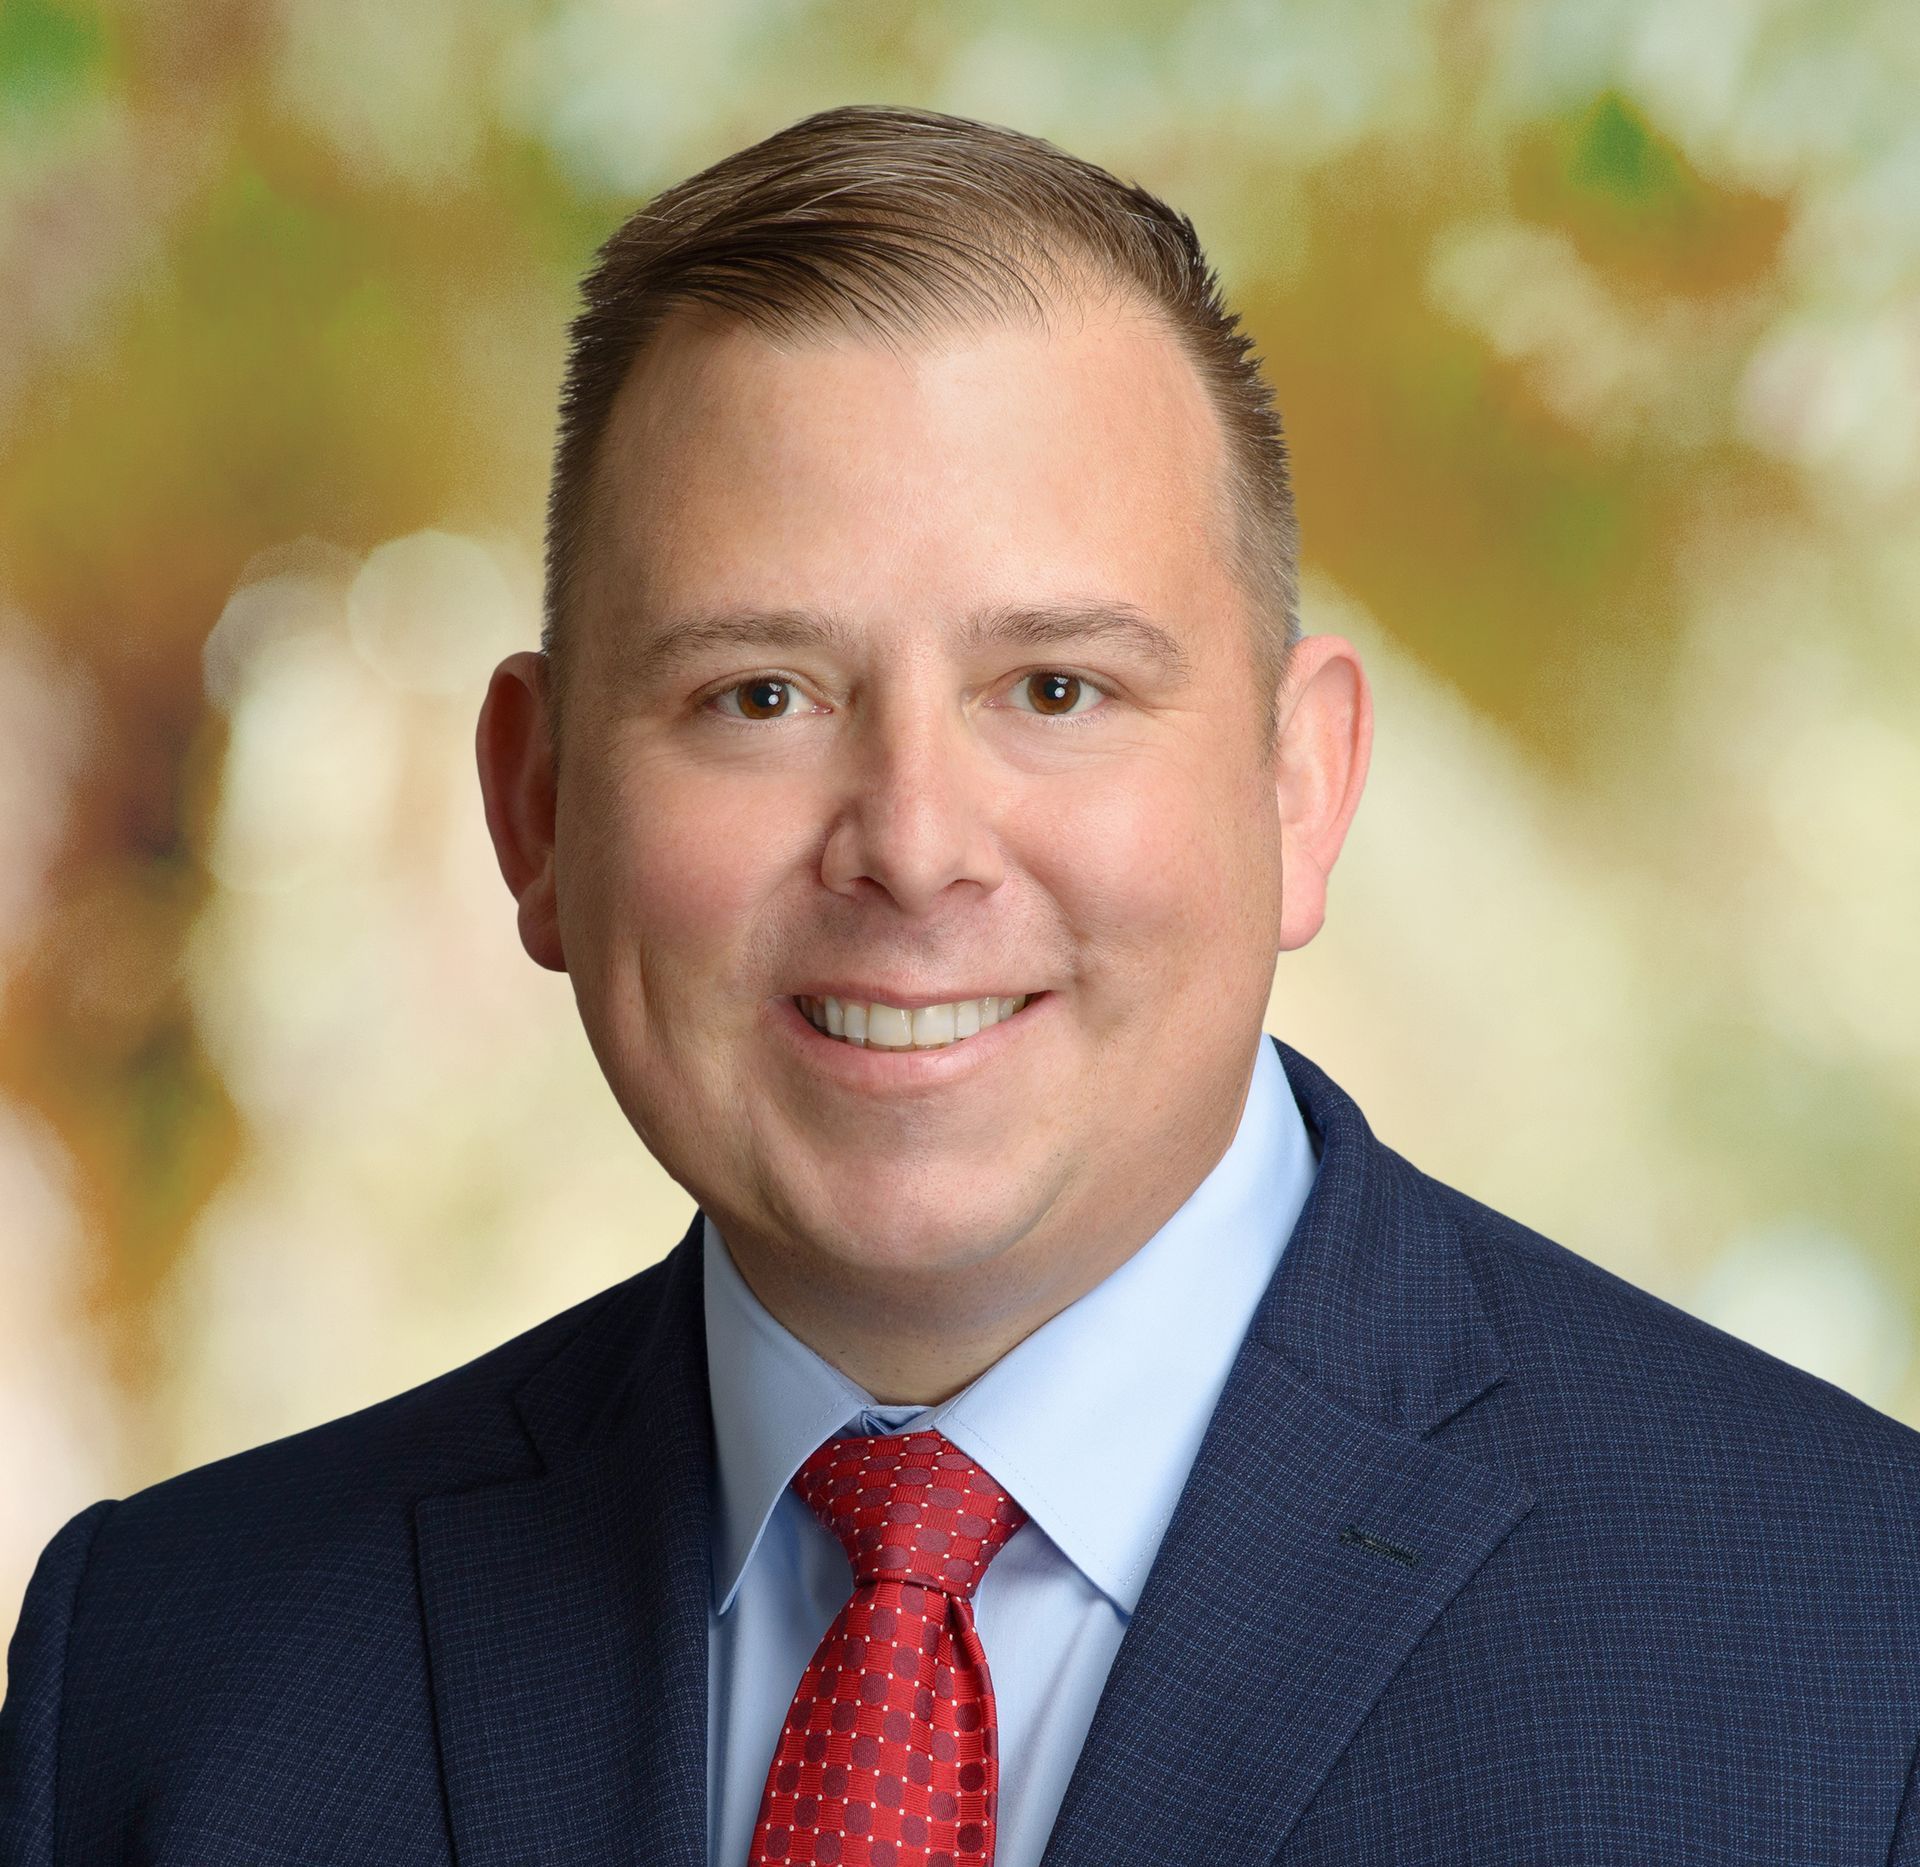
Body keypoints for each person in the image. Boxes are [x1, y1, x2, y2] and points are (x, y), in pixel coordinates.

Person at [3, 102, 1918, 1867]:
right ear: (538, 808)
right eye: (759, 695)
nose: (912, 846)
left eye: (1055, 690)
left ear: (1300, 785)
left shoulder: (1853, 1655)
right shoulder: (171, 1683)